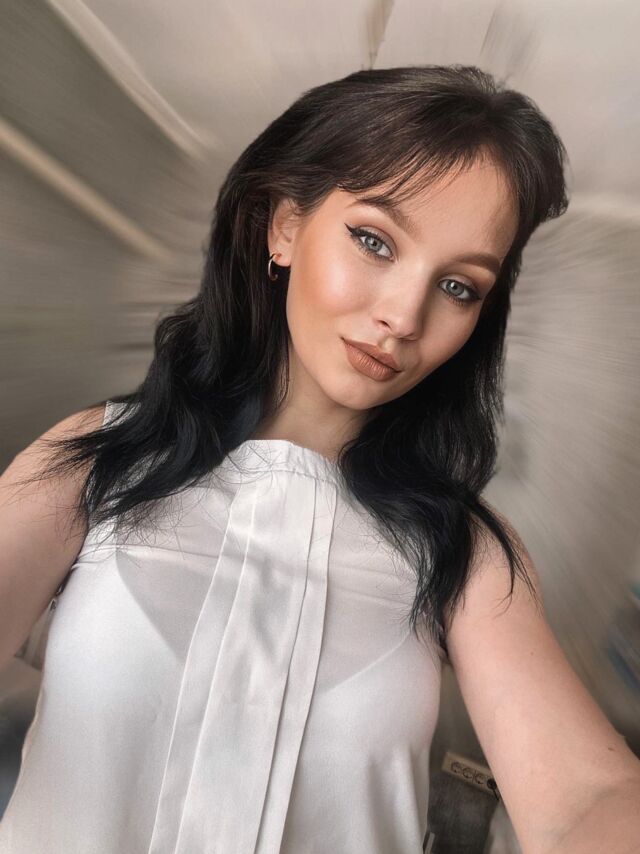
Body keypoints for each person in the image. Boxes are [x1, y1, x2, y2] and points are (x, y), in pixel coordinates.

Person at [0, 64, 638, 853]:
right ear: (284, 227)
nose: (403, 316)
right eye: (374, 241)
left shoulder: (463, 552)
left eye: (459, 286)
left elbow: (585, 797)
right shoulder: (95, 460)